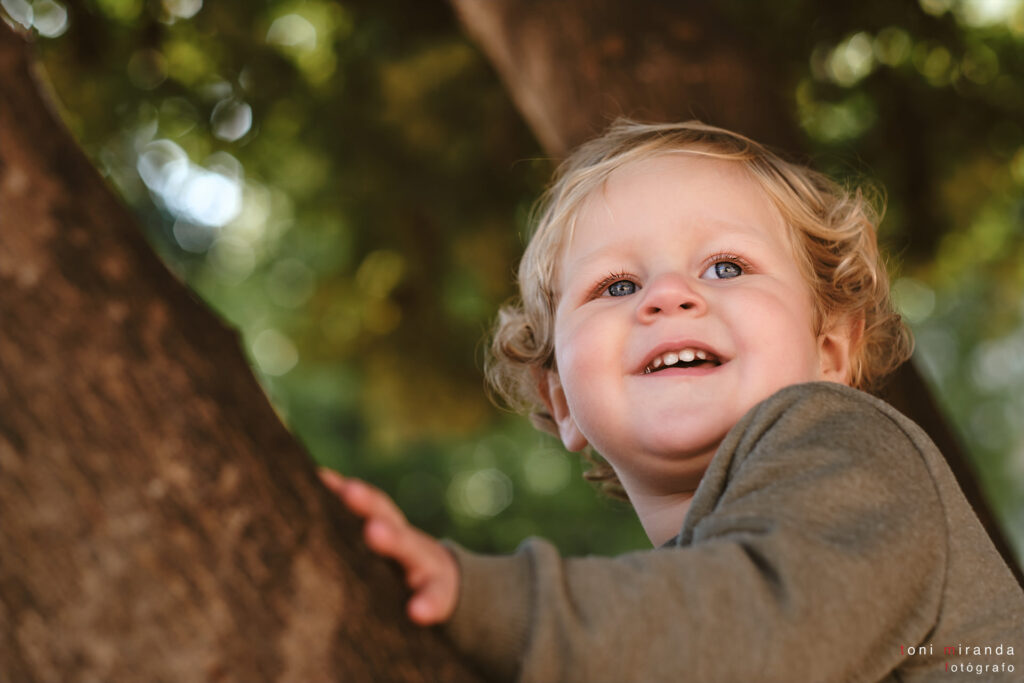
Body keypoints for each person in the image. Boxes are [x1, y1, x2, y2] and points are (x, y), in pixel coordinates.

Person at [319, 121, 1024, 682]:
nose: (668, 295)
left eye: (726, 266)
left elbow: (754, 628)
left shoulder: (852, 447)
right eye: (618, 286)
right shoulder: (674, 608)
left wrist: (488, 600)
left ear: (832, 352)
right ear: (561, 401)